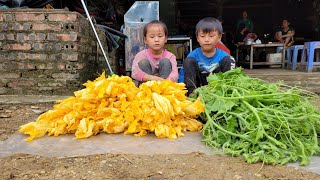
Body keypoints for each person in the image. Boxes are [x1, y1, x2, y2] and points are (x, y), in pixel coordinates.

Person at [178, 17, 236, 96]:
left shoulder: (224, 56)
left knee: (229, 60)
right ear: (198, 38)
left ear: (219, 37)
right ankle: (191, 94)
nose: (207, 39)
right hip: (197, 89)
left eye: (211, 36)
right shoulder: (193, 55)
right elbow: (182, 76)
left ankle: (226, 93)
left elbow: (232, 76)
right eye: (202, 36)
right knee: (188, 61)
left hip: (218, 90)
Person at [131, 20, 178, 85]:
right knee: (143, 62)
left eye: (160, 36)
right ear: (145, 40)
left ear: (166, 38)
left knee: (165, 61)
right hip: (146, 87)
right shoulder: (141, 55)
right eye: (152, 37)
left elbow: (175, 74)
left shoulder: (170, 56)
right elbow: (134, 73)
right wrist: (154, 79)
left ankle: (165, 90)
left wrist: (166, 82)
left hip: (165, 86)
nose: (156, 40)